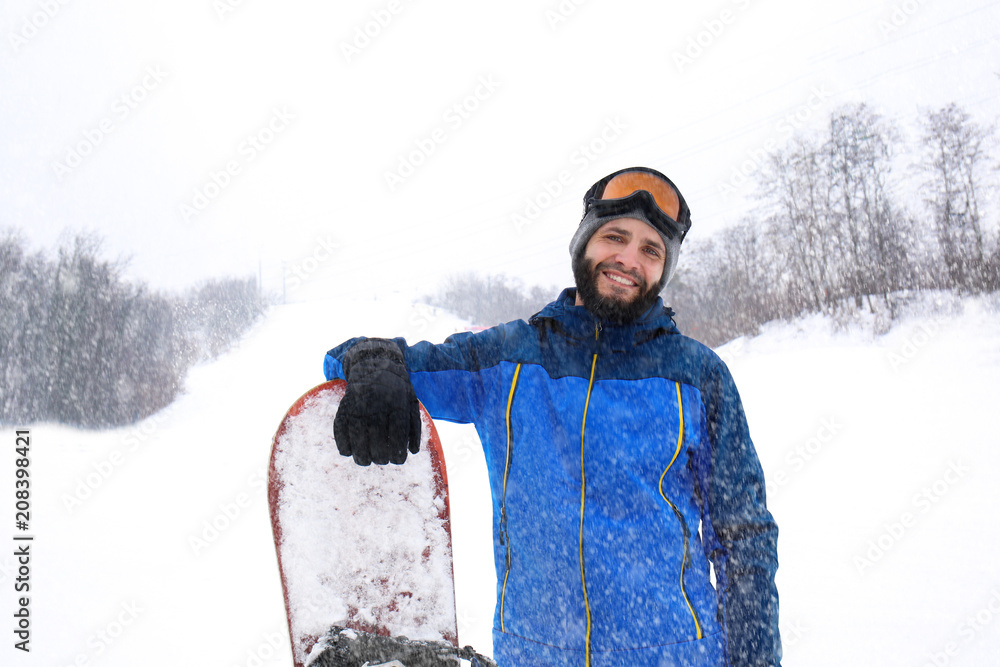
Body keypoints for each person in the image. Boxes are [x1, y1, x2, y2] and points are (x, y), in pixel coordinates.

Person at [323, 167, 781, 667]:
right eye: (616, 237)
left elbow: (743, 536)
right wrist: (371, 364)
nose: (629, 259)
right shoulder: (509, 358)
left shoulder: (697, 375)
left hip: (675, 654)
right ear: (583, 242)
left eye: (652, 250)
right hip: (536, 654)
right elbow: (358, 362)